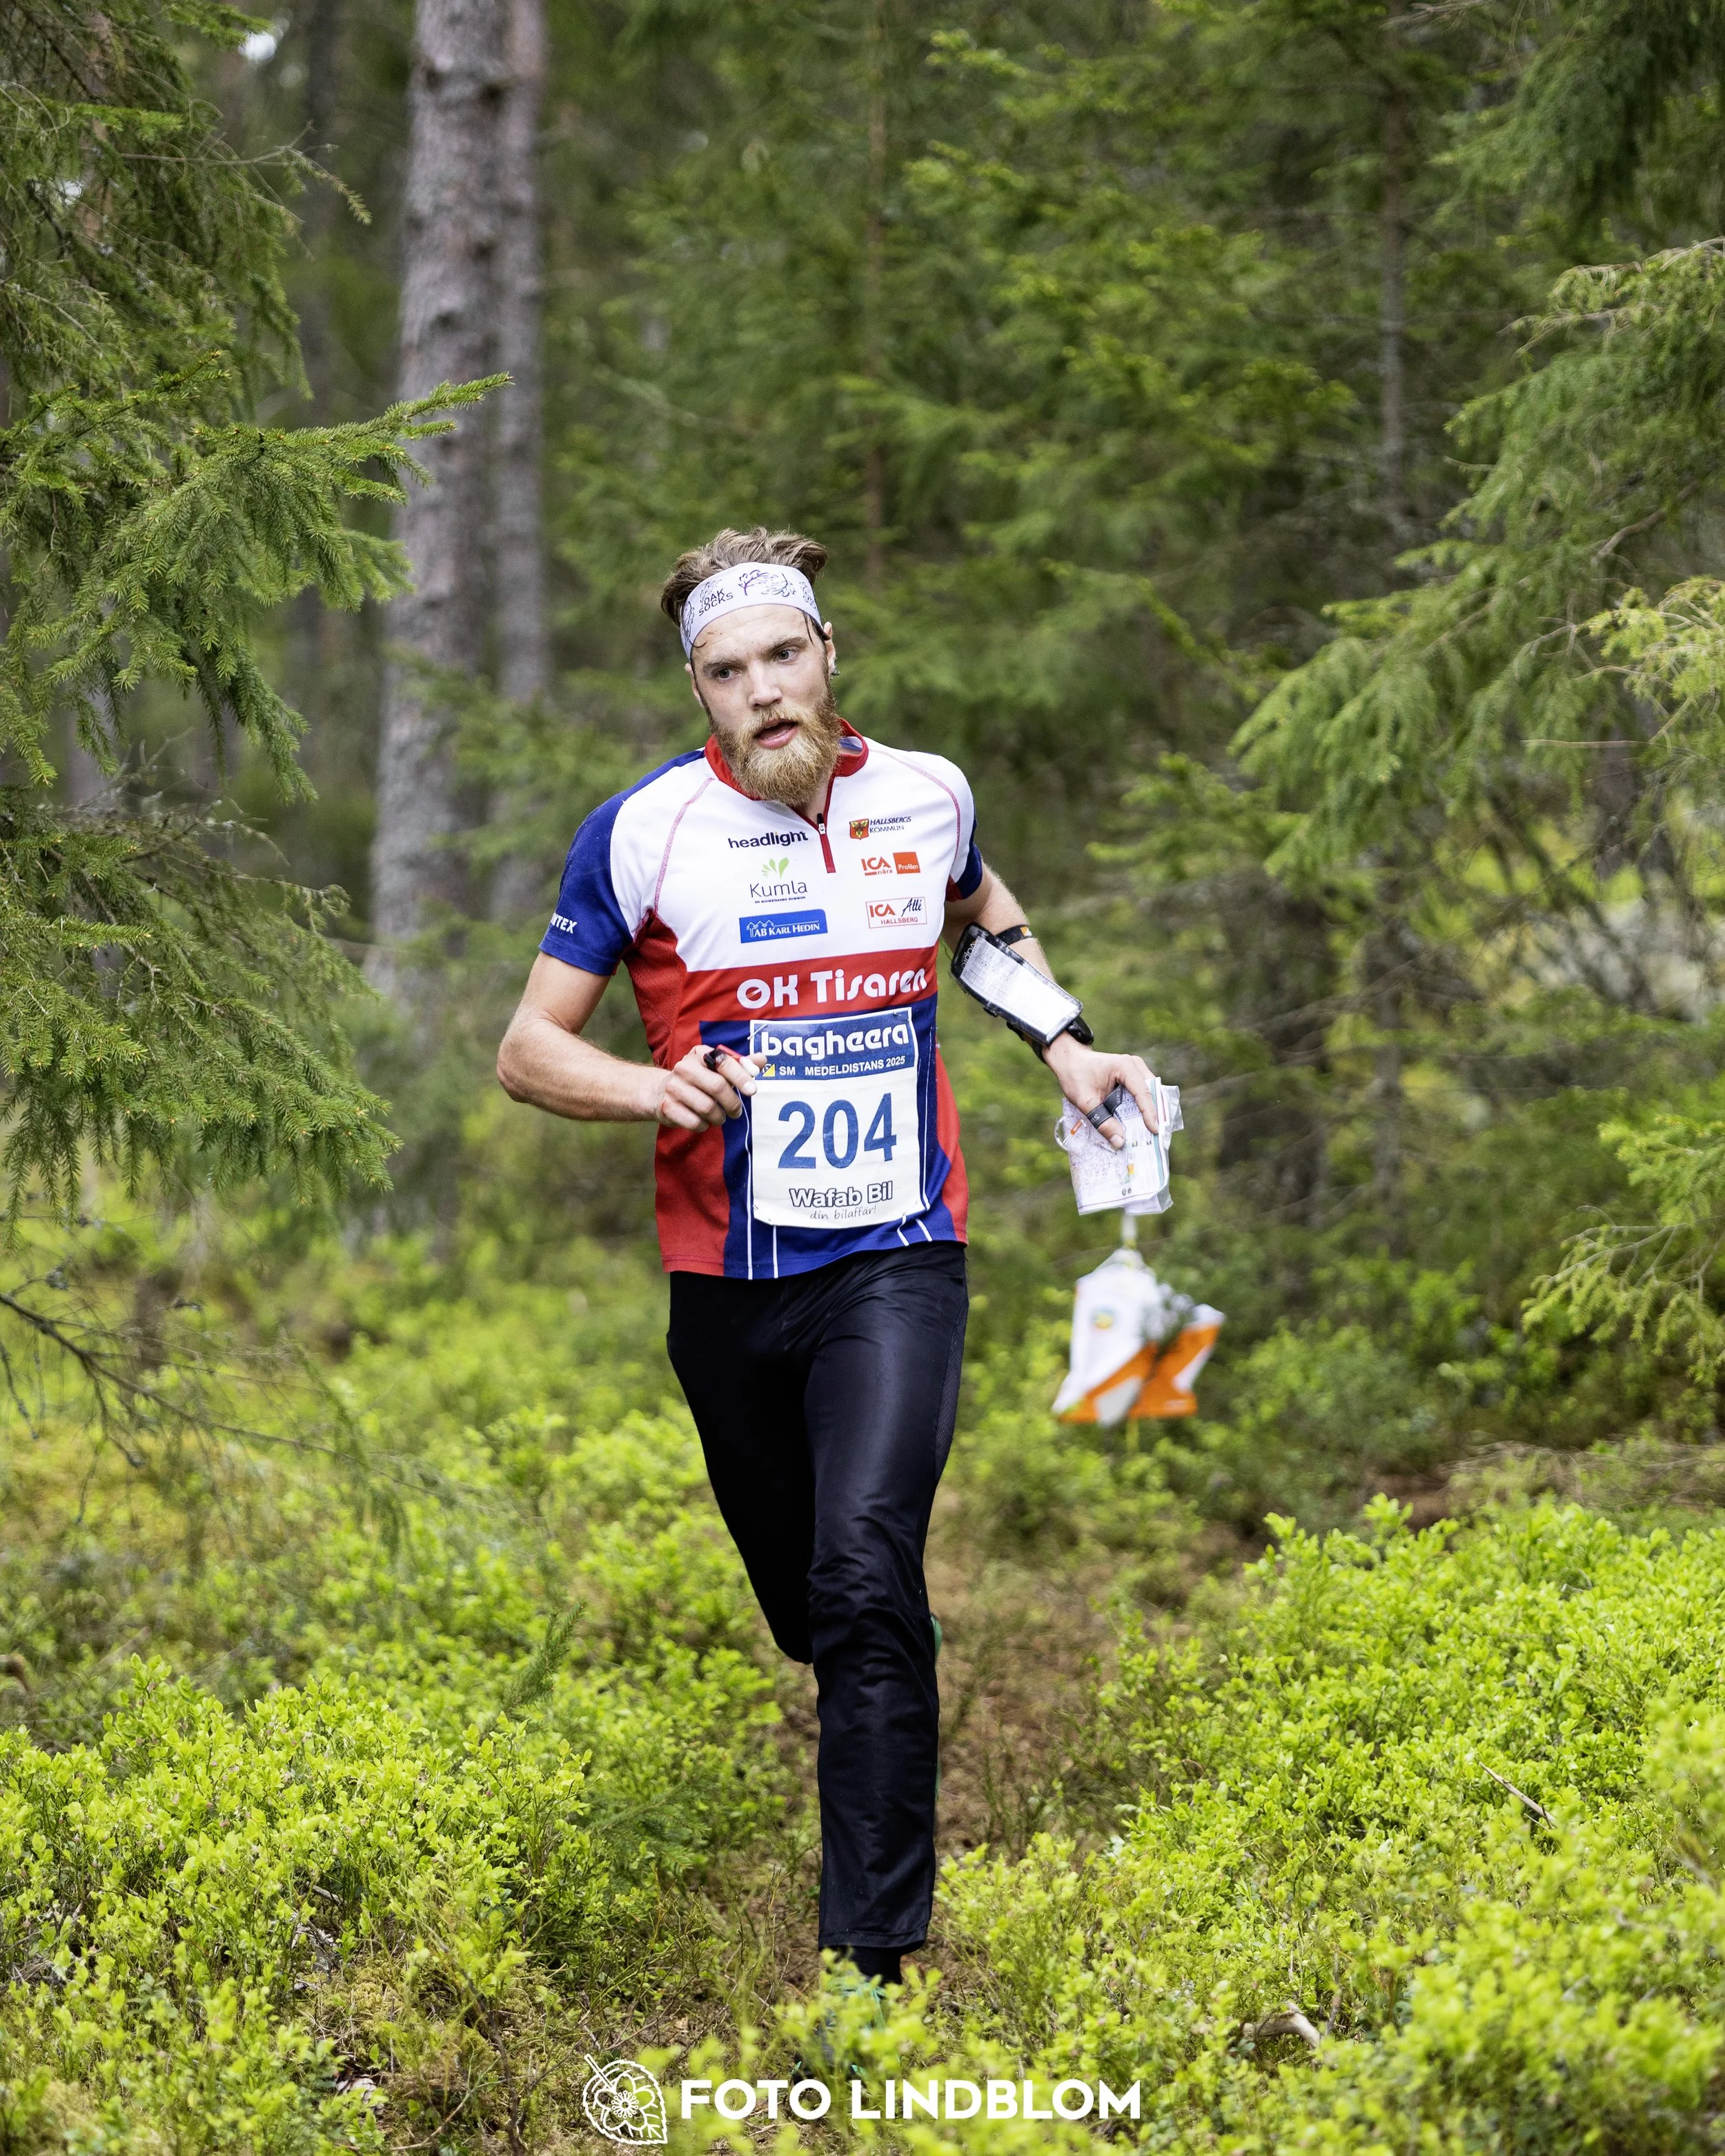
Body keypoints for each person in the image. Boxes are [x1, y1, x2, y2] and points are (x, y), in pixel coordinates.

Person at [496, 526, 1162, 1992]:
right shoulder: (643, 830)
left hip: (899, 1251)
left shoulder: (925, 795)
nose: (761, 692)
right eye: (727, 672)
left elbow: (981, 915)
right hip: (726, 1284)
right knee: (810, 1601)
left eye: (781, 658)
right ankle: (863, 1670)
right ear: (700, 690)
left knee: (866, 1572)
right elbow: (528, 1048)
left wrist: (1063, 1039)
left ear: (825, 655)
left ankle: (867, 1959)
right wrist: (646, 1087)